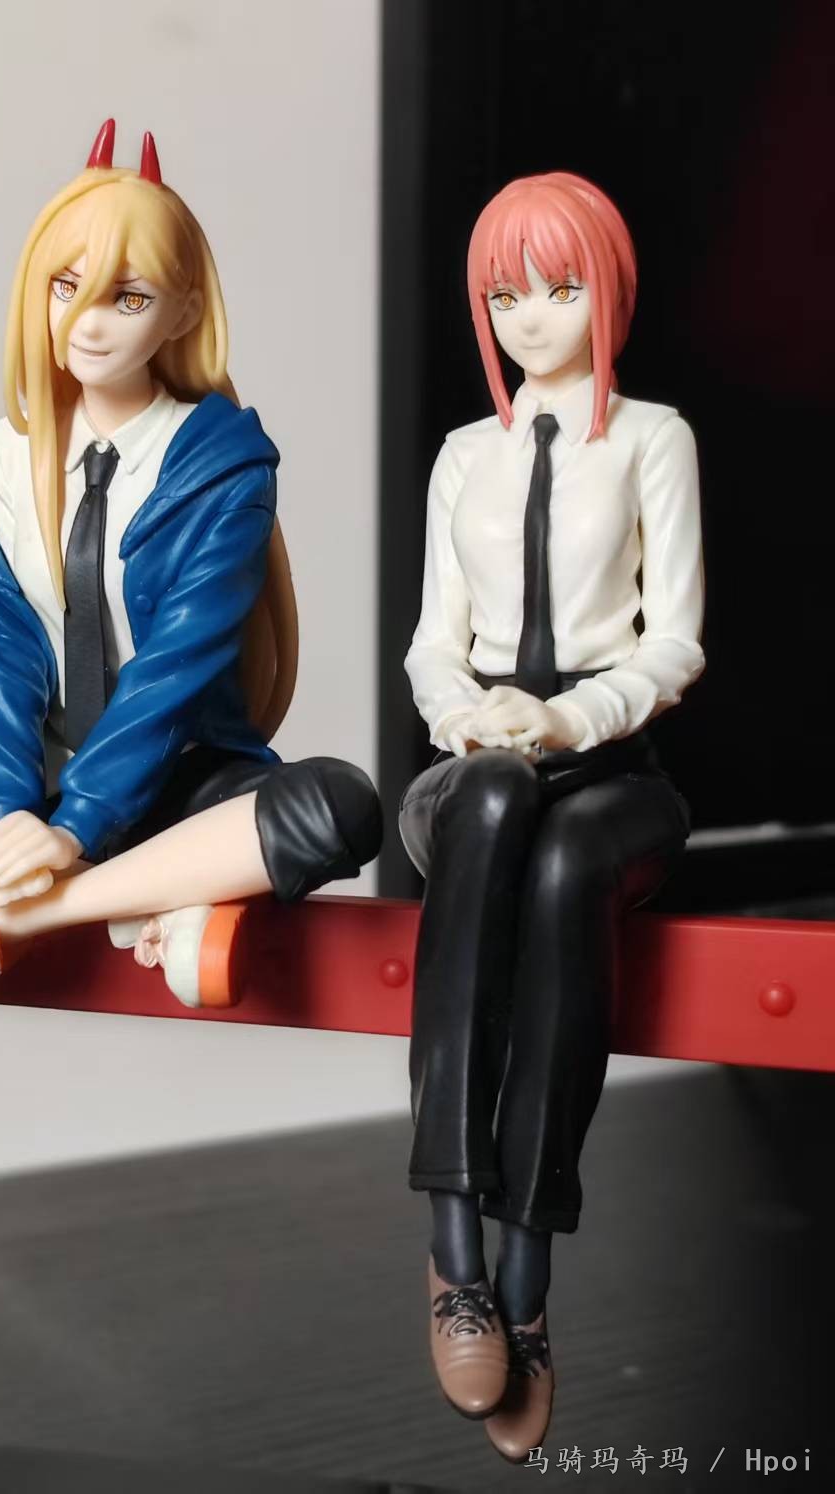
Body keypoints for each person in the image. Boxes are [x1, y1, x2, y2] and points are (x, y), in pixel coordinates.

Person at [0, 120, 381, 1018]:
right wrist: (12, 812)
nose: (87, 323)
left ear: (183, 312)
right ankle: (154, 897)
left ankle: (1, 914)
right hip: (45, 779)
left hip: (178, 781)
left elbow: (178, 666)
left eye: (127, 297)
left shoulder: (220, 464)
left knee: (335, 807)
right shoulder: (15, 458)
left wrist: (76, 829)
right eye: (66, 287)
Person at [399, 171, 703, 1460]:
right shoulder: (462, 456)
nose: (531, 317)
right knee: (488, 799)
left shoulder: (652, 439)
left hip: (610, 769)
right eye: (504, 295)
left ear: (607, 291)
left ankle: (527, 1267)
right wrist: (475, 721)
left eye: (561, 288)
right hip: (475, 769)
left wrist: (568, 719)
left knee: (569, 860)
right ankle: (456, 1255)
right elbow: (430, 647)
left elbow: (675, 640)